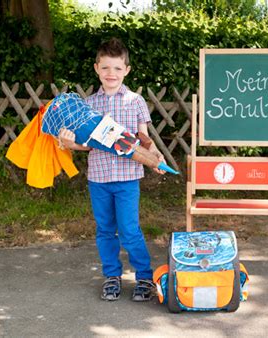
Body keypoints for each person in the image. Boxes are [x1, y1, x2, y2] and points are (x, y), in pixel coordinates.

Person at [59, 37, 165, 302]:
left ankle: (143, 277)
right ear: (96, 68)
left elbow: (144, 138)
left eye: (117, 68)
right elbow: (86, 144)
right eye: (105, 68)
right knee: (105, 229)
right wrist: (71, 144)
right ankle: (112, 276)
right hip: (99, 178)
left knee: (129, 230)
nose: (111, 74)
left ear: (126, 70)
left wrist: (154, 154)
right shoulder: (89, 105)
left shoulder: (136, 101)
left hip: (128, 179)